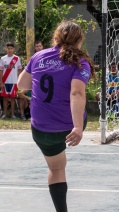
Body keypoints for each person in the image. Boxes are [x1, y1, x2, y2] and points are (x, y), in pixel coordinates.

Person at [17, 21, 94, 212]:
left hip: (42, 128)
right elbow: (76, 93)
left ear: (56, 38)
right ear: (79, 40)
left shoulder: (38, 56)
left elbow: (22, 84)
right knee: (60, 163)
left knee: (57, 169)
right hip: (69, 125)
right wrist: (77, 127)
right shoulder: (80, 62)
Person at [0, 42, 23, 119]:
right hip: (5, 81)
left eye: (11, 48)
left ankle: (13, 115)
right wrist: (1, 82)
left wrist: (19, 81)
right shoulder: (3, 59)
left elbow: (20, 70)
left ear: (14, 49)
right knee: (5, 98)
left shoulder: (17, 58)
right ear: (6, 49)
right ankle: (5, 114)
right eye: (8, 48)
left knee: (13, 98)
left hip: (14, 82)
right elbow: (1, 71)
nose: (10, 50)